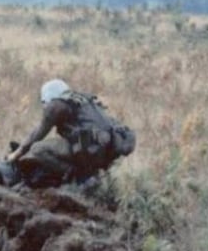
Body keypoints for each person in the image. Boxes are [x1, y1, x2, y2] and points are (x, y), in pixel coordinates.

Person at [7, 79, 136, 186]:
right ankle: (90, 176)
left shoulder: (56, 105)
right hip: (103, 152)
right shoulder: (84, 100)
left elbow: (37, 135)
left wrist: (16, 155)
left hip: (90, 150)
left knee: (38, 149)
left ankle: (76, 177)